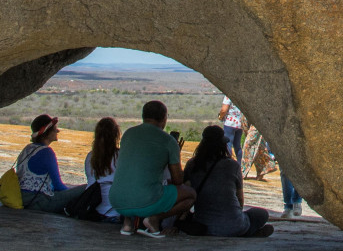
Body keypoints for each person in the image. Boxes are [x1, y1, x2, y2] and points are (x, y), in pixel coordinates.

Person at [110, 101, 195, 237]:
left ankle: (127, 223)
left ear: (143, 116)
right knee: (190, 194)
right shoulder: (168, 141)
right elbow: (178, 180)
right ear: (164, 118)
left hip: (116, 200)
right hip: (145, 201)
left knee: (132, 184)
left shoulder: (128, 134)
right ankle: (154, 219)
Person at [180, 125, 273, 238]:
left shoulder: (192, 164)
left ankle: (246, 232)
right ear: (223, 144)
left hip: (204, 226)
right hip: (235, 225)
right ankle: (247, 232)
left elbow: (185, 191)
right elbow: (240, 199)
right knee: (262, 214)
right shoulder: (233, 165)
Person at [14, 114, 98, 216]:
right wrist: (71, 194)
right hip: (39, 201)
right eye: (55, 129)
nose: (58, 131)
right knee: (90, 187)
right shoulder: (47, 152)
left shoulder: (28, 148)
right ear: (47, 132)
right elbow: (58, 186)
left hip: (22, 198)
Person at [85, 117, 121, 225]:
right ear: (116, 135)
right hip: (116, 213)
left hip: (93, 210)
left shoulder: (90, 157)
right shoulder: (121, 156)